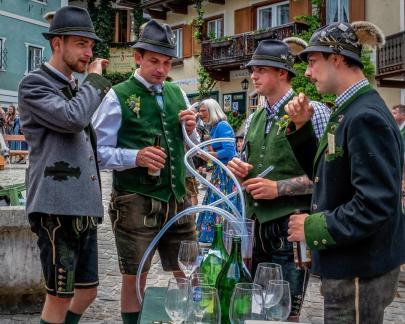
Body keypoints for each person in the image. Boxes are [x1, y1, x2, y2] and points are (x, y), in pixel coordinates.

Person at [285, 21, 405, 323]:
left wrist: (312, 228)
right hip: (353, 264)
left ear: (335, 59)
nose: (308, 73)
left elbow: (376, 204)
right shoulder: (350, 108)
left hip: (358, 270)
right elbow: (329, 173)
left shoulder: (364, 115)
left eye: (312, 62)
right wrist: (301, 129)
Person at [92, 20, 197, 324]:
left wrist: (191, 131)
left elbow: (192, 150)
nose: (162, 69)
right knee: (135, 275)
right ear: (138, 57)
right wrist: (135, 157)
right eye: (154, 61)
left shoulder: (178, 93)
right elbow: (97, 153)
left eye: (167, 62)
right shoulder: (117, 95)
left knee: (189, 272)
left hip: (178, 199)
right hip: (135, 200)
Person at [18, 6, 110, 324]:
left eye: (90, 46)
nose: (88, 52)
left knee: (88, 292)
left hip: (82, 206)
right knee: (59, 296)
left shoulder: (74, 87)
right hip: (55, 207)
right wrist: (95, 81)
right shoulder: (34, 84)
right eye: (81, 44)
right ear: (57, 44)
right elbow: (73, 118)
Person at [227, 39, 330, 320]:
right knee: (256, 308)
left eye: (260, 69)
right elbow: (255, 166)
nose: (253, 75)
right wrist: (240, 169)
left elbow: (328, 176)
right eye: (253, 69)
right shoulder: (255, 117)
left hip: (291, 229)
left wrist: (278, 189)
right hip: (256, 228)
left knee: (285, 312)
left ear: (282, 72)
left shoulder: (314, 111)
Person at [196, 98, 240, 243]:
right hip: (219, 171)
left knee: (223, 203)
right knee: (217, 203)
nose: (200, 113)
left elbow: (229, 151)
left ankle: (223, 237)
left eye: (204, 111)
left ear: (212, 110)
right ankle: (215, 237)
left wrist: (208, 155)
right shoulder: (213, 127)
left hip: (226, 172)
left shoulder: (222, 125)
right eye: (200, 110)